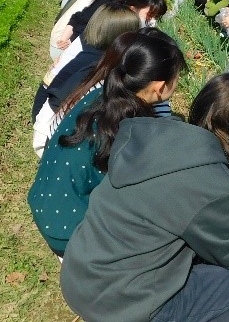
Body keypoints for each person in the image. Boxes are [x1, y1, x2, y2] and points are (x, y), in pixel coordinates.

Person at [60, 73, 229, 322]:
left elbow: (174, 196)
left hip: (79, 273)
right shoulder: (213, 183)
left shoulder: (152, 132)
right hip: (120, 306)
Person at [28, 34, 186, 256]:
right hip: (69, 231)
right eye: (177, 77)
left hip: (44, 200)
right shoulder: (129, 129)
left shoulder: (104, 93)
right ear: (160, 87)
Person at [33, 2, 141, 157]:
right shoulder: (95, 64)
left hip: (46, 120)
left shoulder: (90, 50)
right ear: (121, 38)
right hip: (50, 134)